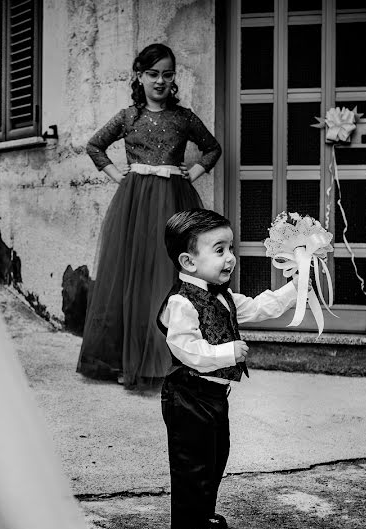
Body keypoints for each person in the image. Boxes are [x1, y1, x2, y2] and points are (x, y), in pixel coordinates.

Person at [77, 43, 222, 389]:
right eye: (152, 74)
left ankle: (172, 357)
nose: (160, 81)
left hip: (173, 198)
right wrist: (120, 176)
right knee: (134, 275)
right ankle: (130, 359)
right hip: (136, 203)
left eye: (167, 74)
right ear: (139, 76)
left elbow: (213, 147)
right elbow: (94, 145)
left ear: (174, 78)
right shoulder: (129, 117)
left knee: (170, 275)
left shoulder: (183, 117)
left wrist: (195, 171)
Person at [157, 208, 299, 529]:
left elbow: (260, 307)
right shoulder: (181, 302)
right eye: (219, 250)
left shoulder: (222, 295)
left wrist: (298, 287)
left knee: (216, 454)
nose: (230, 258)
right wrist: (227, 352)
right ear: (189, 262)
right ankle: (187, 528)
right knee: (192, 461)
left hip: (213, 395)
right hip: (188, 393)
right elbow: (185, 349)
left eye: (230, 248)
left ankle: (202, 510)